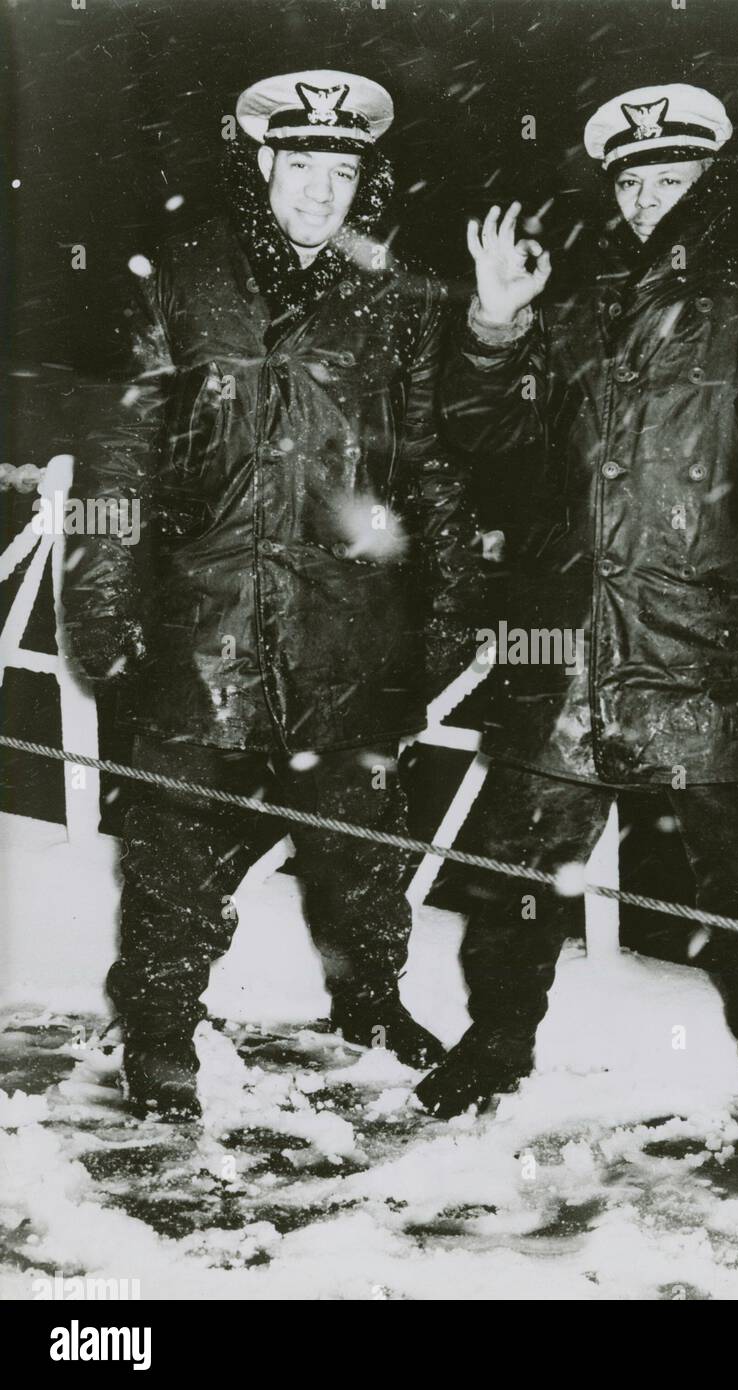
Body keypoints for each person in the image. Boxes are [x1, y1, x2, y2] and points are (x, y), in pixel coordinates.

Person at [420, 84, 738, 1183]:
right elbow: (488, 440)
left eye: (669, 179)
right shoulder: (573, 311)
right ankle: (492, 1052)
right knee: (513, 875)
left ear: (709, 184)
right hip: (568, 650)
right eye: (631, 182)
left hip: (703, 643)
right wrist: (491, 322)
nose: (646, 199)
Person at [63, 70, 483, 1121]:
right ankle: (159, 1039)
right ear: (264, 165)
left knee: (365, 839)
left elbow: (426, 462)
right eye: (301, 167)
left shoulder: (400, 295)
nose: (319, 193)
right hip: (201, 617)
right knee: (173, 852)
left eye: (341, 172)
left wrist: (448, 602)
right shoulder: (181, 275)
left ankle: (371, 1004)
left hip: (349, 626)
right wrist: (102, 598)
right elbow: (122, 453)